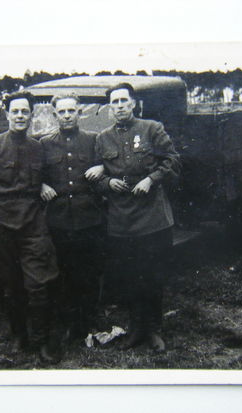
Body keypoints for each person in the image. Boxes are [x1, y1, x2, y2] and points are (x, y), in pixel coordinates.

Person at [0, 91, 61, 363]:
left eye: (25, 111)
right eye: (15, 111)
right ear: (7, 114)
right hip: (1, 226)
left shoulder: (38, 147)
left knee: (38, 284)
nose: (20, 116)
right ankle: (19, 336)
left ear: (31, 115)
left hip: (33, 226)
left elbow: (46, 177)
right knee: (11, 286)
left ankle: (41, 341)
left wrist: (42, 185)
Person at [95, 83, 180, 351]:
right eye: (115, 102)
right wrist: (108, 183)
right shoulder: (103, 138)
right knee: (130, 276)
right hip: (122, 220)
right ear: (110, 108)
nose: (120, 106)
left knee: (152, 274)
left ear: (133, 103)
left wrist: (150, 179)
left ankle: (153, 330)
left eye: (124, 101)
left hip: (153, 216)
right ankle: (135, 329)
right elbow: (95, 175)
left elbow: (173, 160)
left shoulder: (152, 129)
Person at [40, 93, 105, 342]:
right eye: (62, 112)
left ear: (79, 112)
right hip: (59, 220)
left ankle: (89, 319)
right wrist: (41, 185)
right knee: (63, 272)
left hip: (89, 218)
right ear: (55, 115)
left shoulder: (93, 139)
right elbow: (35, 173)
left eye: (71, 111)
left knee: (90, 272)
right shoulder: (45, 143)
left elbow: (111, 162)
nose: (67, 116)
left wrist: (101, 167)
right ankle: (69, 323)